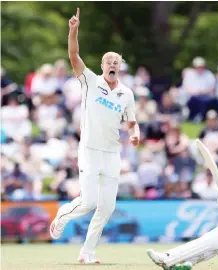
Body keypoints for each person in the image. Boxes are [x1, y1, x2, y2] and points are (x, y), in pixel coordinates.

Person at [49, 8, 140, 264]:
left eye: (116, 63)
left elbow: (132, 123)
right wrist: (73, 30)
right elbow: (73, 55)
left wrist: (135, 135)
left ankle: (87, 252)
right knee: (88, 202)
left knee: (107, 207)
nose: (112, 66)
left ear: (120, 68)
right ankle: (62, 216)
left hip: (112, 153)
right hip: (89, 149)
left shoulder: (127, 94)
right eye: (108, 63)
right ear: (102, 66)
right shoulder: (89, 81)